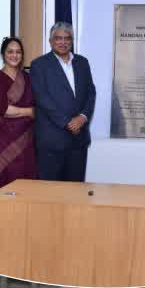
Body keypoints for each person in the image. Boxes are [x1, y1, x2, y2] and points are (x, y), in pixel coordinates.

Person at [30, 22, 96, 182]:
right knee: (51, 193)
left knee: (75, 190)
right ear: (50, 41)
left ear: (72, 41)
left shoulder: (82, 62)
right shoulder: (39, 65)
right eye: (58, 38)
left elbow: (91, 92)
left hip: (78, 139)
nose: (63, 42)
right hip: (52, 140)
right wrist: (68, 123)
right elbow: (42, 98)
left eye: (67, 38)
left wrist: (83, 117)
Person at [0, 36, 38, 193]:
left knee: (26, 183)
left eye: (18, 52)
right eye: (10, 52)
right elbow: (4, 110)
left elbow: (38, 104)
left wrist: (29, 111)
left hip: (27, 140)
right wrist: (29, 111)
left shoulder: (28, 78)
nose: (14, 55)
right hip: (3, 140)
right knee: (5, 182)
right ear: (3, 55)